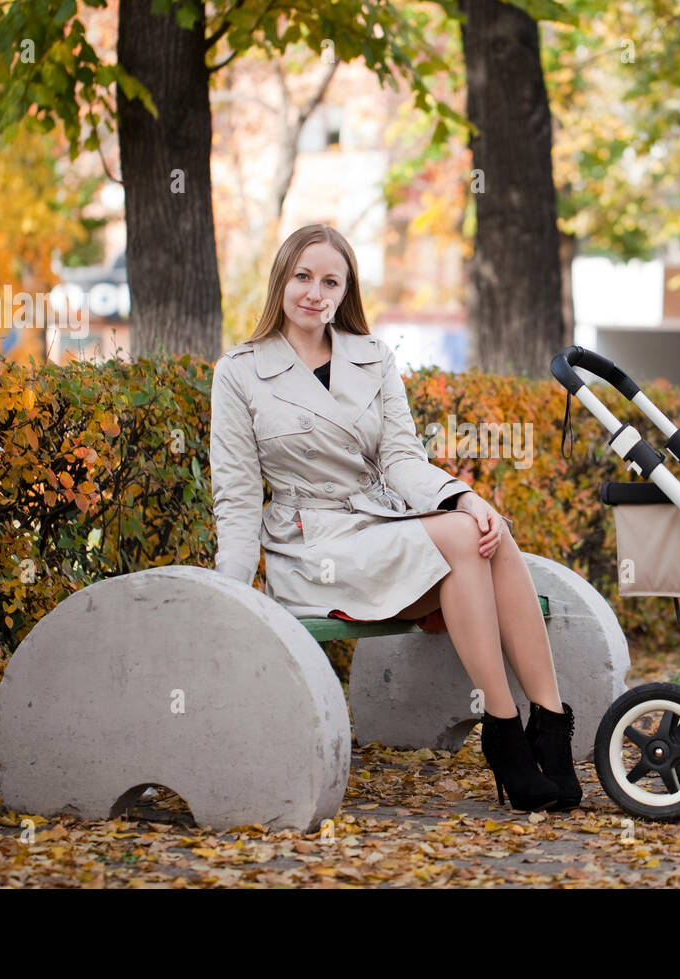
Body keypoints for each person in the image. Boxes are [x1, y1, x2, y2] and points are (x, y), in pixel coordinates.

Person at [209, 224, 580, 812]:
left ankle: (552, 728)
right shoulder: (240, 371)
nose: (315, 292)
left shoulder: (372, 357)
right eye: (303, 276)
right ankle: (504, 730)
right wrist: (229, 594)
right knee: (464, 536)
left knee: (488, 530)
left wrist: (463, 496)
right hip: (313, 551)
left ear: (346, 289)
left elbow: (402, 460)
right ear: (281, 279)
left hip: (378, 525)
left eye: (330, 280)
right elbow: (234, 497)